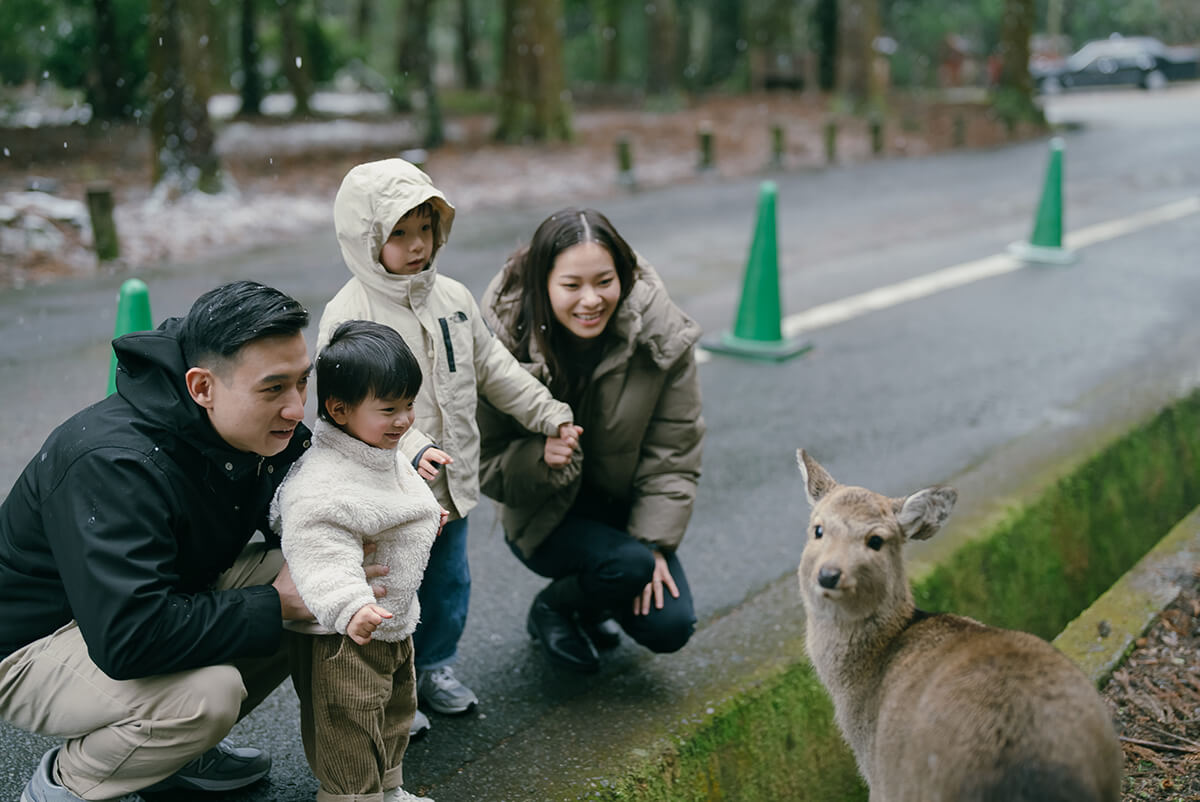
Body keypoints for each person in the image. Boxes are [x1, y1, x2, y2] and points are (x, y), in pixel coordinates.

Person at [0, 280, 370, 802]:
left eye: (300, 382)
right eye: (272, 389)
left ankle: (171, 756)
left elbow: (321, 493)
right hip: (32, 642)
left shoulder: (242, 420)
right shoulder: (114, 465)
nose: (294, 408)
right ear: (201, 388)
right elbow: (128, 638)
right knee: (207, 697)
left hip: (136, 604)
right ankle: (65, 785)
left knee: (326, 579)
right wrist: (274, 603)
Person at [320, 158, 576, 732]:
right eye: (399, 234)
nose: (417, 246)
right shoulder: (350, 313)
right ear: (367, 241)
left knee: (449, 581)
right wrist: (408, 446)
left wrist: (549, 415)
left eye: (426, 229)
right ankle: (389, 686)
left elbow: (497, 369)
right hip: (385, 489)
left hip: (450, 485)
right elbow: (344, 402)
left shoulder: (454, 298)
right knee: (389, 588)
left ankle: (435, 666)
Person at [477, 207, 704, 674]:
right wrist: (539, 458)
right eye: (572, 285)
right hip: (545, 514)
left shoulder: (661, 333)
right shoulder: (500, 339)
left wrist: (654, 544)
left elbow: (674, 451)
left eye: (605, 281)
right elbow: (483, 461)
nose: (591, 300)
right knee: (628, 569)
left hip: (625, 514)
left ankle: (589, 601)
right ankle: (555, 608)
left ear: (623, 276)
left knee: (670, 624)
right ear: (543, 283)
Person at [274, 320, 445, 802]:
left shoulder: (375, 447)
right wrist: (351, 606)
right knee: (349, 729)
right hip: (345, 633)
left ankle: (387, 790)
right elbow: (319, 553)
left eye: (409, 405)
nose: (404, 421)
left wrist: (425, 516)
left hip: (392, 622)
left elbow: (395, 498)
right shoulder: (322, 483)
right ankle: (353, 796)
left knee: (394, 714)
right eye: (390, 409)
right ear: (339, 409)